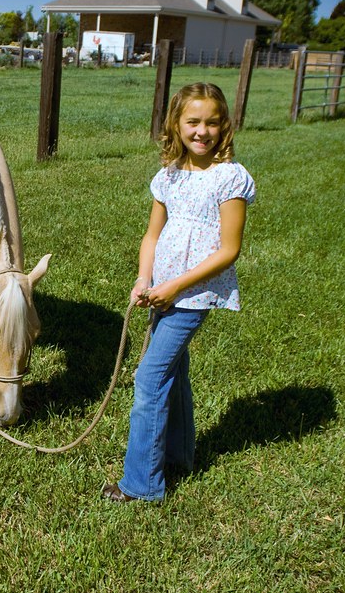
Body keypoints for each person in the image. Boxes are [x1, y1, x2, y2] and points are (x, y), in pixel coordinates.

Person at [102, 83, 256, 503]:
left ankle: (142, 485)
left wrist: (174, 286)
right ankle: (178, 455)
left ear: (224, 126)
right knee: (174, 372)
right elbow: (152, 236)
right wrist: (143, 279)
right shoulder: (168, 176)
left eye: (211, 122)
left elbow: (229, 249)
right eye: (193, 121)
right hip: (161, 291)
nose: (202, 131)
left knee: (150, 378)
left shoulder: (229, 178)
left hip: (193, 295)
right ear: (176, 124)